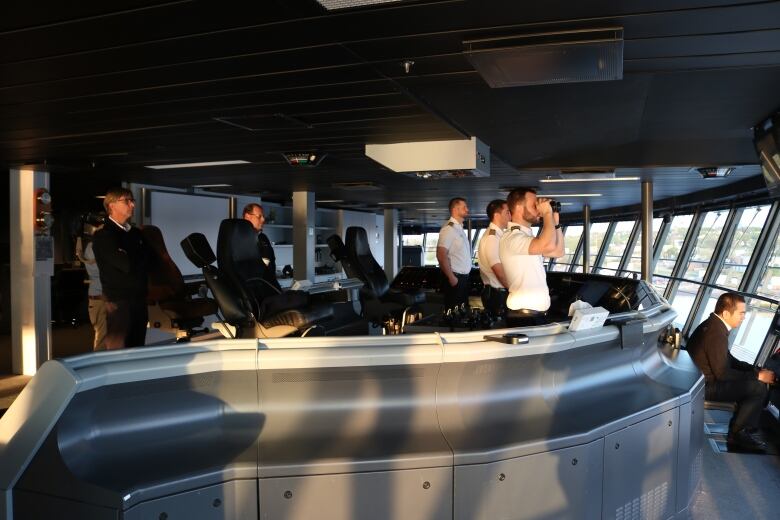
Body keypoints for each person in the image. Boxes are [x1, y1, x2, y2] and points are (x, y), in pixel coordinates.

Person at [686, 293, 776, 452]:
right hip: (704, 387)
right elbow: (722, 374)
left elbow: (728, 359)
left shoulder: (714, 325)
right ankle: (738, 434)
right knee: (758, 387)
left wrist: (752, 369)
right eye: (741, 313)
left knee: (755, 382)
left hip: (699, 381)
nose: (743, 318)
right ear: (726, 313)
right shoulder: (715, 333)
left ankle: (743, 428)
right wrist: (757, 376)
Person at [92, 188, 151, 349]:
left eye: (133, 201)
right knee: (119, 351)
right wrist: (138, 254)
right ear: (111, 205)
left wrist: (130, 253)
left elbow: (151, 261)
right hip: (119, 301)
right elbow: (126, 265)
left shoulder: (136, 233)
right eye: (127, 201)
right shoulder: (104, 236)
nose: (132, 204)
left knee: (138, 348)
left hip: (139, 298)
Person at [499, 188, 564, 326]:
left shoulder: (526, 237)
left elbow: (557, 251)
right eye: (534, 205)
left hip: (532, 315)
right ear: (519, 208)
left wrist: (555, 221)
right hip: (523, 316)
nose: (538, 209)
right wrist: (546, 213)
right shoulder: (513, 237)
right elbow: (547, 246)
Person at [436, 197, 472, 310]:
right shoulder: (449, 229)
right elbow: (441, 255)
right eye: (464, 207)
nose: (467, 209)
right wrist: (452, 278)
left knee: (462, 312)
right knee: (454, 314)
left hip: (463, 279)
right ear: (455, 210)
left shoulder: (459, 228)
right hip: (456, 279)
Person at [75, 223, 107, 350]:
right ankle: (100, 366)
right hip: (100, 298)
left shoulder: (91, 247)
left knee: (103, 336)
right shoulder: (96, 249)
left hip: (98, 298)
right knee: (102, 338)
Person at [478, 199, 511, 317]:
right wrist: (513, 289)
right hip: (498, 295)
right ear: (497, 215)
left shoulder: (497, 235)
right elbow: (498, 271)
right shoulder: (492, 238)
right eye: (507, 212)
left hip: (499, 293)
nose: (510, 215)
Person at [243, 203, 282, 296]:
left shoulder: (263, 238)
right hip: (256, 292)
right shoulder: (241, 240)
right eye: (259, 216)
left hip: (271, 287)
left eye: (263, 216)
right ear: (247, 216)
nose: (263, 219)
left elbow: (270, 262)